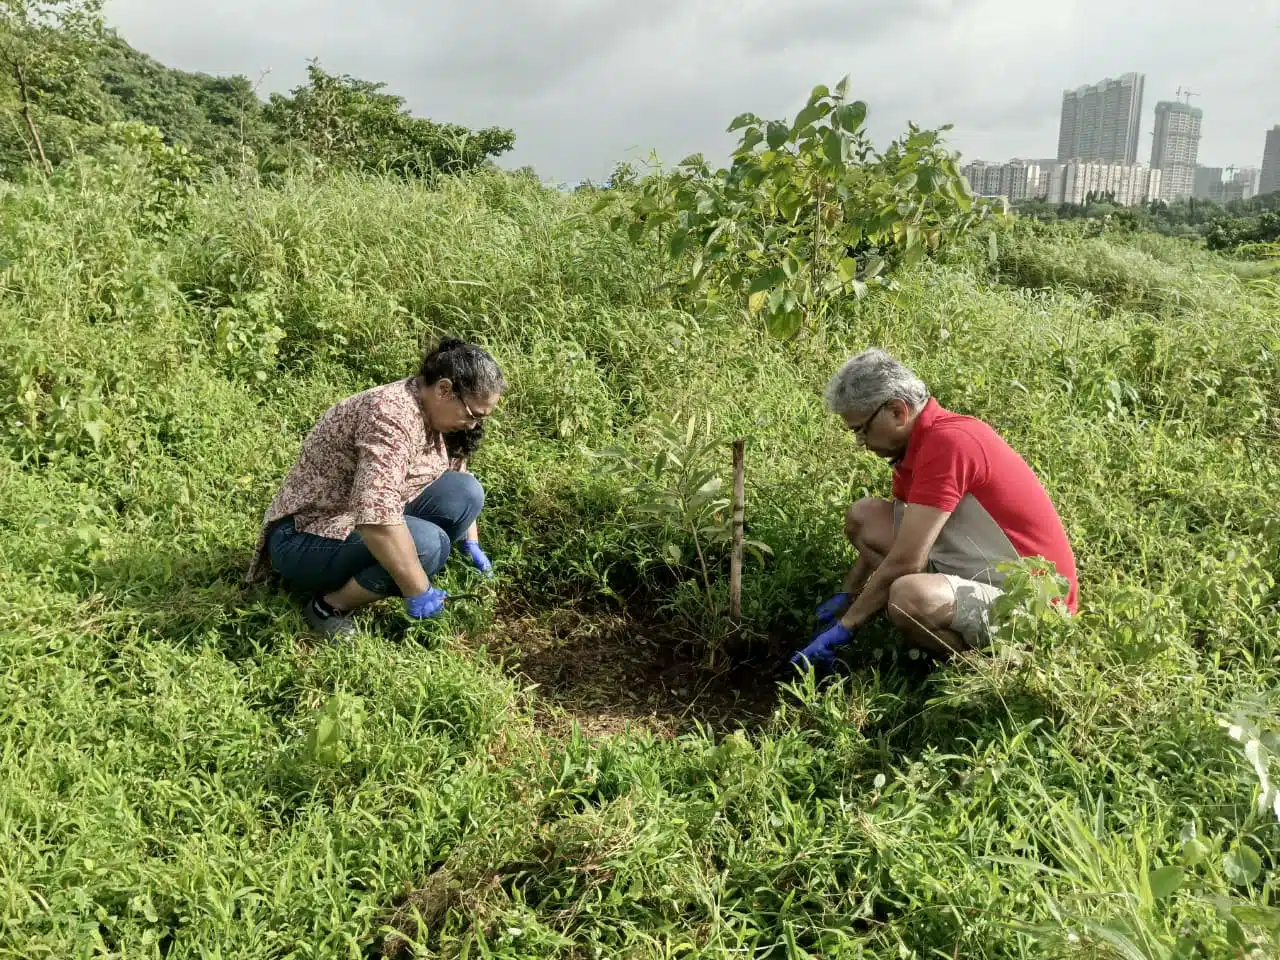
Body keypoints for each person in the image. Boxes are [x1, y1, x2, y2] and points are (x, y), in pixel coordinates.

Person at [789, 348, 1078, 671]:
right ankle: (944, 618)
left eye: (861, 430)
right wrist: (848, 593)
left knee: (909, 597)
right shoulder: (914, 445)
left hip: (1033, 605)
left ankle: (984, 669)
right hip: (977, 566)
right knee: (864, 517)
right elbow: (903, 535)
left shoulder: (949, 444)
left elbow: (907, 559)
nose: (860, 442)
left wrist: (848, 626)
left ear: (897, 411)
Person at [246, 338, 506, 638]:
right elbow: (375, 518)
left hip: (353, 518)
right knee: (429, 544)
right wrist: (419, 590)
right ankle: (328, 607)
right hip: (305, 536)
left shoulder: (436, 411)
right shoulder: (390, 415)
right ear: (444, 389)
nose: (473, 426)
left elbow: (454, 470)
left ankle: (390, 569)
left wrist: (471, 543)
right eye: (473, 415)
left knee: (465, 492)